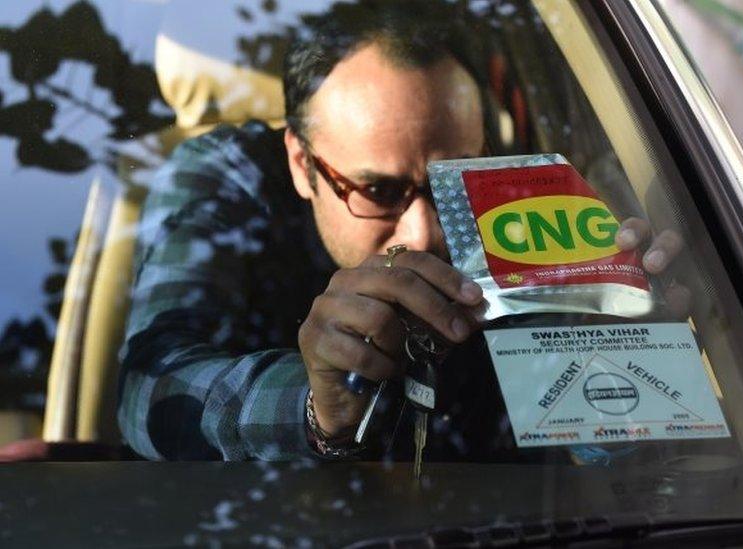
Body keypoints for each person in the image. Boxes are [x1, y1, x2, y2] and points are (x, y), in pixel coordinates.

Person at [118, 2, 683, 461]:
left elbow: (588, 445)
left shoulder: (521, 198)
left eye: (454, 180)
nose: (422, 233)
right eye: (379, 192)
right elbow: (151, 390)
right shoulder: (229, 178)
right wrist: (312, 406)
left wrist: (635, 348)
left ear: (483, 150)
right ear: (300, 162)